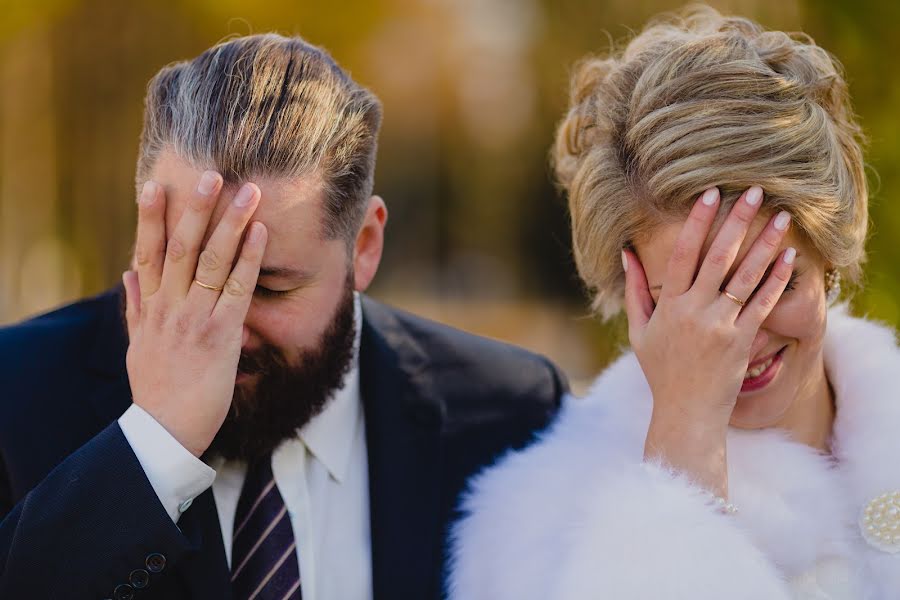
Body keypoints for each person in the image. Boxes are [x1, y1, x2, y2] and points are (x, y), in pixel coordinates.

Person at [0, 34, 567, 600]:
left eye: (267, 288)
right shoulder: (15, 393)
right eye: (189, 274)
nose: (216, 330)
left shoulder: (511, 414)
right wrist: (151, 447)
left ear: (364, 246)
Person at [448, 6, 899, 599]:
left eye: (772, 282)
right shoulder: (536, 528)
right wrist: (682, 465)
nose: (737, 339)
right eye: (691, 303)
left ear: (833, 254)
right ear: (627, 291)